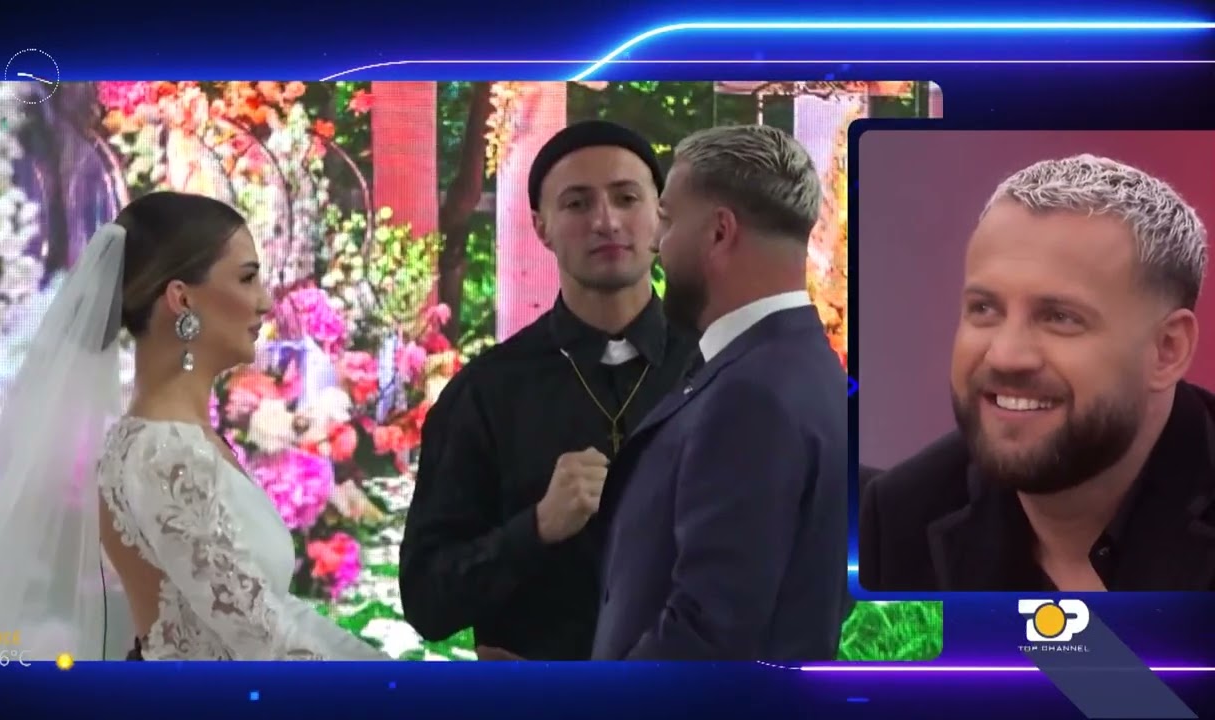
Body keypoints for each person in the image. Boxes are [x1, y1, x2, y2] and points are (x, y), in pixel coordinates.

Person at [0, 191, 389, 660]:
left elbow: (280, 614)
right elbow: (264, 642)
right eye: (247, 278)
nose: (265, 302)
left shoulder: (177, 441)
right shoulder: (162, 454)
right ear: (182, 298)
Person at [399, 120, 697, 661]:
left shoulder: (716, 366)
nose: (606, 221)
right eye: (577, 204)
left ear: (660, 216)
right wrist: (535, 529)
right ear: (542, 228)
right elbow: (426, 601)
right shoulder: (486, 392)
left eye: (626, 198)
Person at [859, 154, 1215, 593]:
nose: (1006, 356)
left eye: (1060, 317)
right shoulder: (901, 515)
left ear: (1167, 350)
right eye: (984, 308)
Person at [590, 125, 849, 660]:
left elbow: (706, 633)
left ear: (718, 232)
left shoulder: (752, 396)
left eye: (667, 219)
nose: (655, 243)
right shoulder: (807, 368)